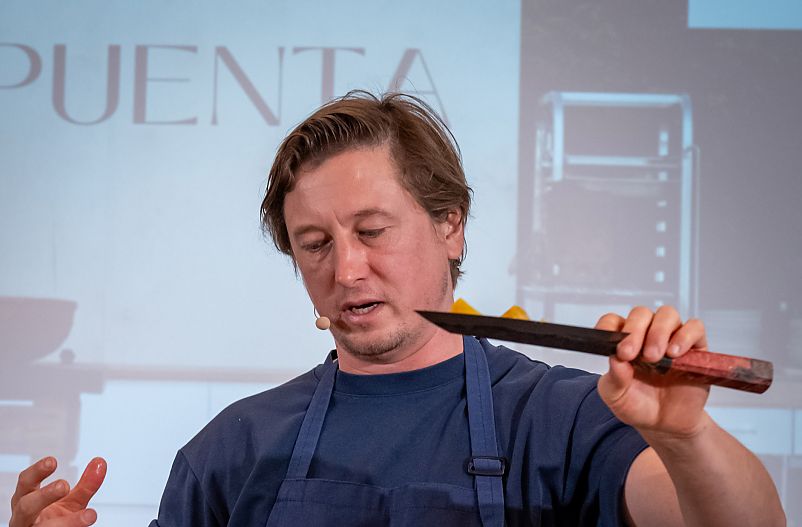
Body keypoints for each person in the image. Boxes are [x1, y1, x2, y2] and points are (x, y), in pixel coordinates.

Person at [10, 91, 785, 527]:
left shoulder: (564, 418)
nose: (347, 268)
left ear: (451, 225)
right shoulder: (231, 451)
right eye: (315, 243)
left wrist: (686, 436)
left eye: (372, 230)